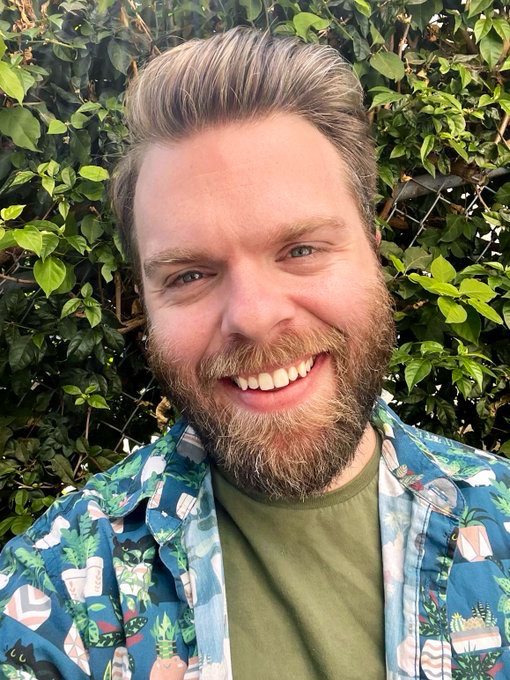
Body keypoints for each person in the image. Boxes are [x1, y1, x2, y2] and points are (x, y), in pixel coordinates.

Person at [0, 26, 509, 680]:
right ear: (144, 305)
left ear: (373, 248)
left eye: (300, 250)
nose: (254, 317)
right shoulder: (59, 593)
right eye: (189, 275)